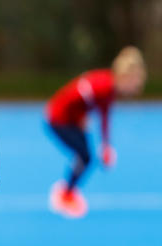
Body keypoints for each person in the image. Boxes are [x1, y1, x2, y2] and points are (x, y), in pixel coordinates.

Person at [46, 46, 146, 218]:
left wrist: (106, 145)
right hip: (58, 119)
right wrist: (79, 117)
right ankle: (65, 194)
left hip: (70, 120)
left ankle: (67, 191)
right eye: (133, 82)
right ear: (124, 77)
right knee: (85, 156)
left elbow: (104, 115)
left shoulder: (109, 89)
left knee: (86, 156)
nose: (135, 87)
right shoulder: (103, 84)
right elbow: (73, 96)